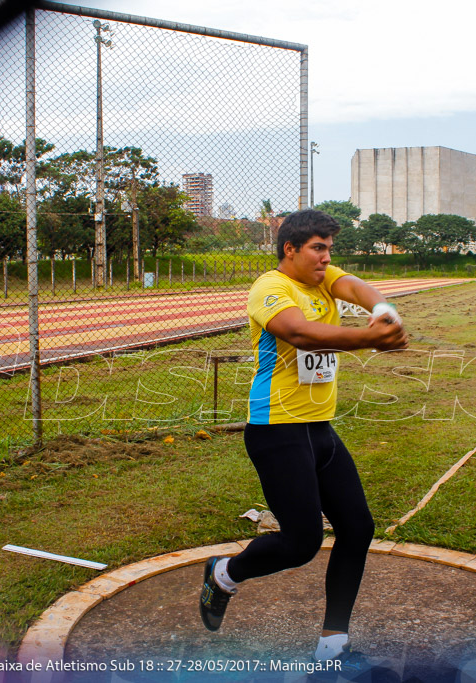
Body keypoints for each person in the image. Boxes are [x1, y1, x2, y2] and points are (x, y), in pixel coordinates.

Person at [199, 208, 409, 669]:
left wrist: (383, 310)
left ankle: (333, 645)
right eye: (318, 247)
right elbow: (299, 333)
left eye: (329, 248)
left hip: (320, 429)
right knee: (300, 543)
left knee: (357, 528)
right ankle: (224, 574)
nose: (326, 257)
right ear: (289, 249)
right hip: (277, 429)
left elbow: (355, 287)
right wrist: (368, 339)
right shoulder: (271, 288)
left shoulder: (323, 278)